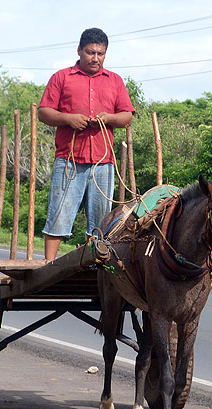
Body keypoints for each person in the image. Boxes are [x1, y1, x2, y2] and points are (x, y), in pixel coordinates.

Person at [38, 27, 135, 261]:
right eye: (91, 52)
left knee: (101, 221)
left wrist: (108, 118)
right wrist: (68, 118)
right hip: (69, 160)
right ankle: (49, 265)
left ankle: (95, 265)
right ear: (79, 50)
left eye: (101, 53)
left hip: (103, 162)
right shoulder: (62, 77)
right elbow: (44, 112)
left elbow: (127, 116)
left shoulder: (115, 81)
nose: (95, 58)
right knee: (59, 214)